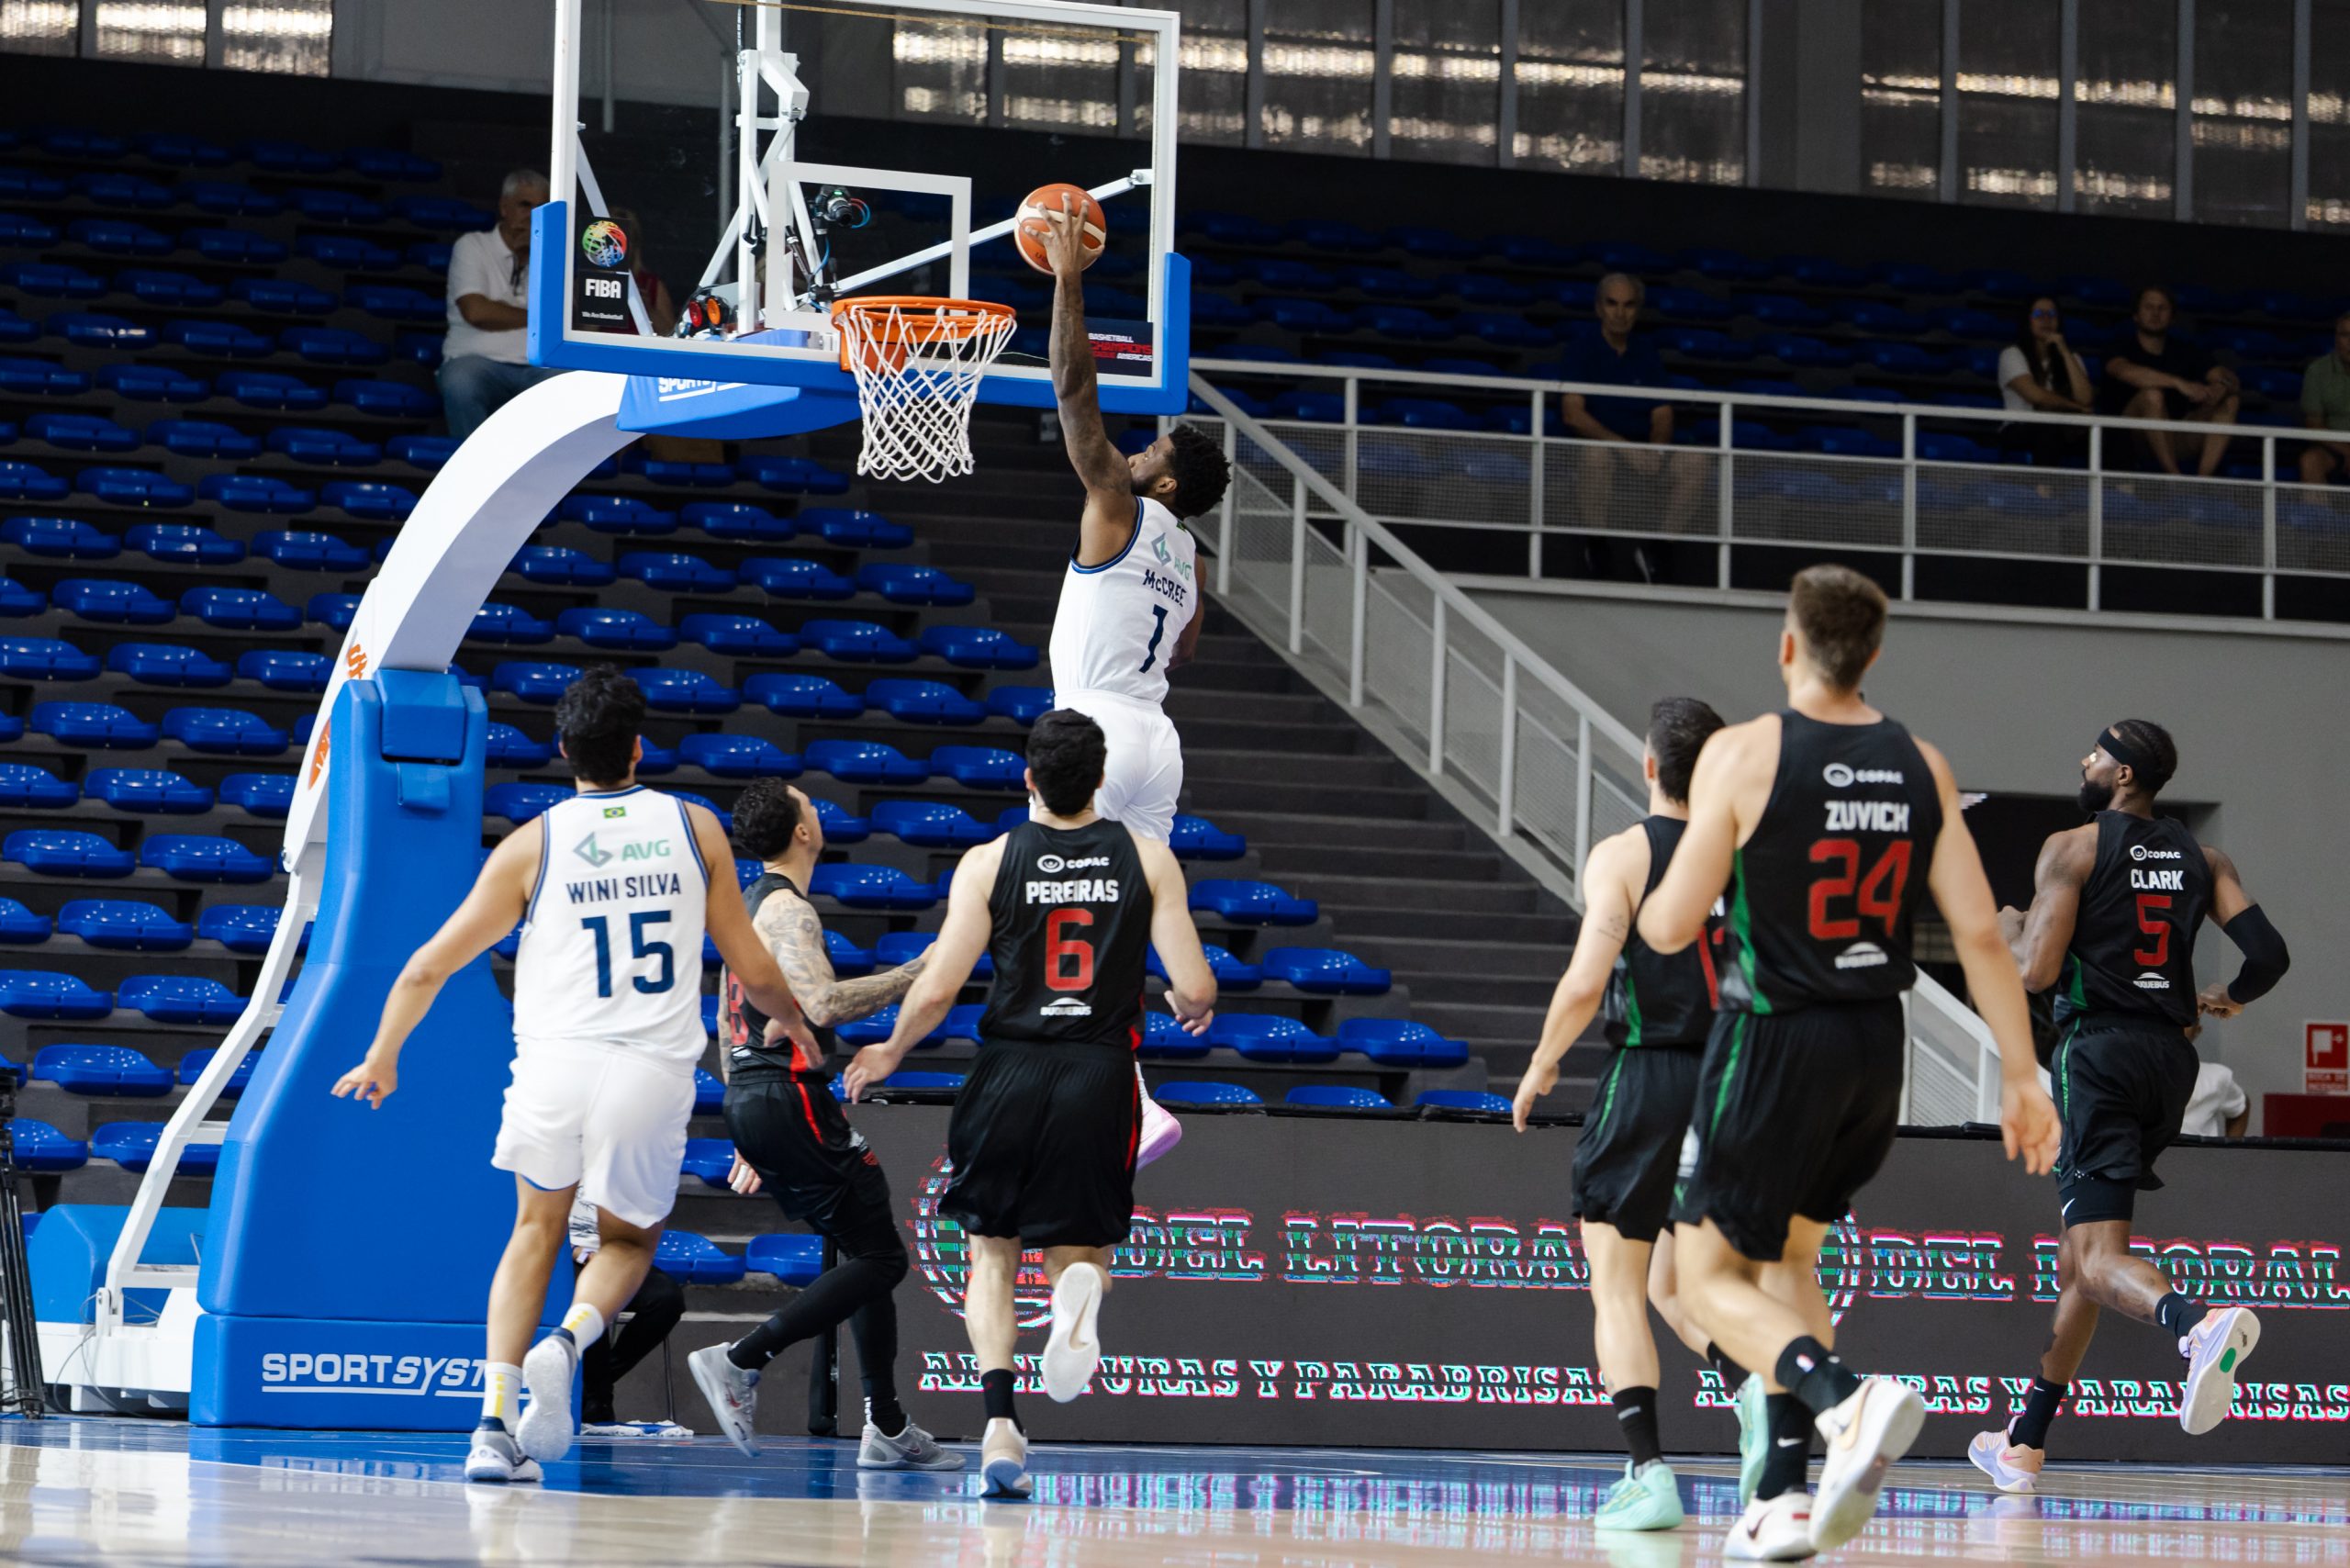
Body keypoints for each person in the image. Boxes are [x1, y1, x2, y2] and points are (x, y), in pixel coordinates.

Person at [1636, 565, 2060, 1560]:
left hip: (1775, 1037)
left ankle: (1842, 1397)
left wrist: (1675, 894)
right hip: (1875, 1046)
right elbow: (1981, 936)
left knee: (1699, 1276)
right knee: (1790, 1261)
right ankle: (1783, 1498)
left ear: (1789, 647)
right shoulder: (1920, 763)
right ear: (1872, 654)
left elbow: (1669, 924)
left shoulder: (1743, 754)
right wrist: (2020, 1073)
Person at [330, 665, 803, 1484]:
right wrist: (791, 1020)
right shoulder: (696, 828)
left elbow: (426, 967)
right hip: (648, 1069)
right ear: (638, 747)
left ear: (562, 751)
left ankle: (491, 1429)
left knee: (533, 1231)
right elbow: (753, 967)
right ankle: (570, 1339)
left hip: (554, 1064)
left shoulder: (533, 845)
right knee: (628, 1242)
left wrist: (383, 1053)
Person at [841, 711, 1218, 1499]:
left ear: (1028, 779)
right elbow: (1194, 986)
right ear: (1100, 779)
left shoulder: (989, 861)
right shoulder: (1148, 859)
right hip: (1098, 1075)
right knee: (1082, 1254)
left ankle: (1000, 1427)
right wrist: (1189, 1003)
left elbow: (938, 987)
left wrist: (890, 1049)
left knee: (992, 1253)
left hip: (1008, 1071)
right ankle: (1078, 1295)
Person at [1969, 721, 2287, 1494]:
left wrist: (2008, 928)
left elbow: (2037, 973)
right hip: (2170, 1062)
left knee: (2098, 1258)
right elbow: (2269, 955)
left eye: (2098, 753)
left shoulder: (2072, 848)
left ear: (2123, 775)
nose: (2085, 759)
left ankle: (2197, 1326)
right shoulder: (2205, 859)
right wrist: (2230, 995)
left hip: (2100, 1055)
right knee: (2081, 1261)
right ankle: (2024, 1442)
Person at [1514, 696, 1782, 1530]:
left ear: (1649, 765)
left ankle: (1649, 1472)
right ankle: (1753, 1395)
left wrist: (1543, 1061)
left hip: (1651, 1077)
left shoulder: (1625, 854)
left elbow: (1586, 979)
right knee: (1676, 1283)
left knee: (1619, 1288)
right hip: (1734, 1084)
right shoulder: (1749, 859)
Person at [1024, 192, 1231, 1171]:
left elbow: (1073, 390)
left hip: (1098, 731)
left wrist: (1068, 279)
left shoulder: (1117, 500)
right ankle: (1135, 1089)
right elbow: (1184, 649)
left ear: (1165, 481)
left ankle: (1077, 1083)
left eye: (1152, 451)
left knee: (1053, 897)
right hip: (1157, 735)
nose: (1136, 451)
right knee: (1128, 910)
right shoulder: (1191, 558)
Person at [685, 779, 960, 1473]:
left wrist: (751, 1114)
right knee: (883, 1260)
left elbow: (727, 1021)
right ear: (803, 832)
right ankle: (741, 1359)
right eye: (808, 803)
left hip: (759, 1095)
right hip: (786, 1097)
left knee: (867, 1253)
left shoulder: (749, 906)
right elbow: (824, 1004)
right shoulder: (787, 910)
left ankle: (886, 1424)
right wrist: (920, 968)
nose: (816, 807)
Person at [440, 169, 562, 441]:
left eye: (540, 208)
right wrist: (540, 318)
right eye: (524, 205)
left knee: (572, 381)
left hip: (538, 368)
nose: (531, 215)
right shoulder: (473, 245)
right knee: (460, 383)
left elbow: (565, 318)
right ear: (504, 208)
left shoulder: (553, 256)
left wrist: (536, 256)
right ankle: (474, 465)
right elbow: (477, 312)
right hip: (478, 362)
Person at [566, 1197, 689, 1438]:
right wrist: (578, 1252)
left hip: (620, 1256)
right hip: (566, 1257)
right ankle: (596, 1400)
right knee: (594, 1302)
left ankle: (594, 1384)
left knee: (667, 1299)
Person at [2096, 286, 2240, 477]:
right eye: (2149, 307)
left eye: (2162, 308)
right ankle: (2174, 478)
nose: (2155, 313)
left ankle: (2203, 480)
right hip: (2128, 440)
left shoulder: (2185, 350)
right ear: (2136, 316)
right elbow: (2122, 370)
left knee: (2230, 401)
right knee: (2152, 396)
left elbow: (2227, 377)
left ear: (2172, 317)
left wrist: (2221, 386)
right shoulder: (2119, 345)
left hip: (2174, 437)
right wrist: (2179, 383)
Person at [1997, 297, 2094, 466]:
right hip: (2021, 428)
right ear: (2027, 321)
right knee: (2048, 430)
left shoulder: (2072, 358)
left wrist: (2064, 351)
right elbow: (2036, 396)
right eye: (2038, 314)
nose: (2046, 319)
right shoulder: (2012, 354)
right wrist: (2076, 408)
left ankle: (2115, 484)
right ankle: (2044, 484)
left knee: (2107, 435)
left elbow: (2085, 399)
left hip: (2065, 429)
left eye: (2052, 314)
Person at [2295, 312, 2350, 484]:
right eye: (2345, 335)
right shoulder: (2318, 371)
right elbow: (2313, 424)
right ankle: (2318, 505)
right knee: (2310, 461)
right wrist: (2346, 450)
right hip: (2334, 446)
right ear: (2336, 339)